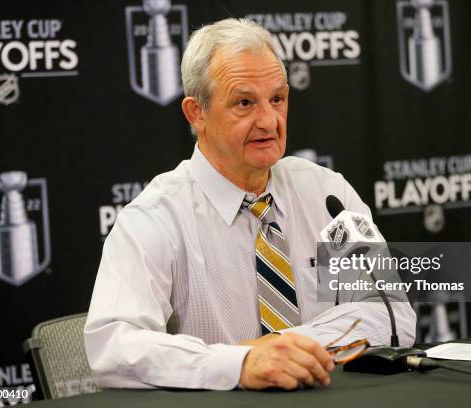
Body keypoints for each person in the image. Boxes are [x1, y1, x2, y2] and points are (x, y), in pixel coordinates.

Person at [84, 18, 416, 392]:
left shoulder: (327, 194)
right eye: (244, 103)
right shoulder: (156, 217)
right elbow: (112, 348)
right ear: (197, 114)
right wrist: (237, 364)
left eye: (277, 99)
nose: (269, 120)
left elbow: (392, 314)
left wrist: (285, 350)